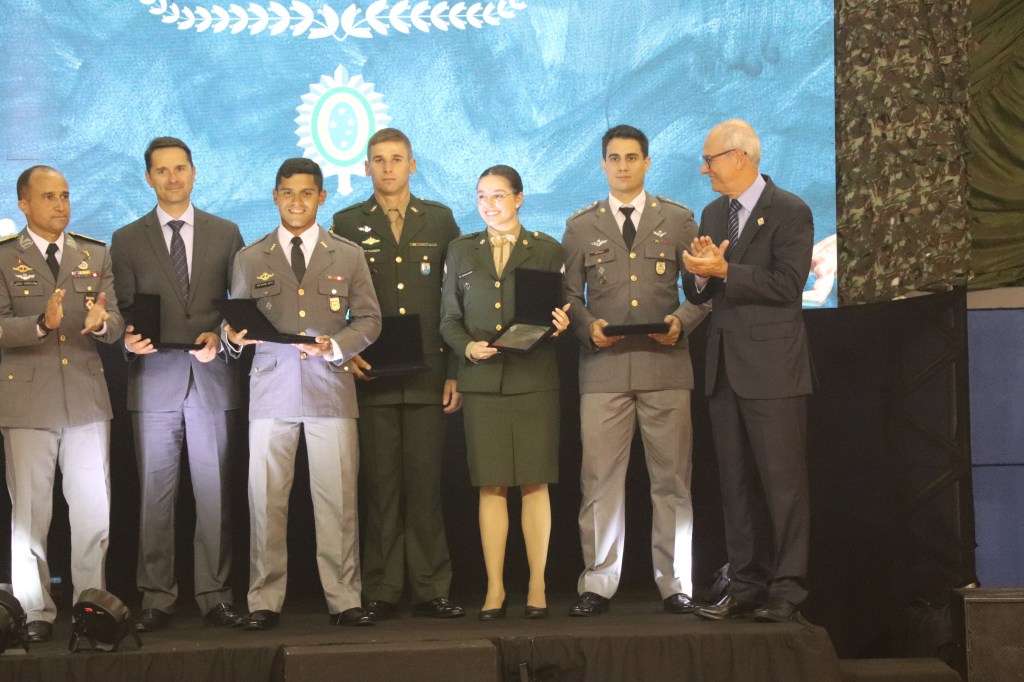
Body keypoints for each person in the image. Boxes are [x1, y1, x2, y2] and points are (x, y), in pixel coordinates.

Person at [224, 158, 382, 630]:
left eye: (307, 192)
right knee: (265, 501)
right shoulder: (250, 257)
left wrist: (336, 345)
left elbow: (370, 319)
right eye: (288, 193)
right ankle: (263, 601)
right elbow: (233, 323)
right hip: (271, 390)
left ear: (321, 197)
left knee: (338, 501)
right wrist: (232, 336)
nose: (297, 201)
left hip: (329, 387)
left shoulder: (347, 254)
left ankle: (344, 598)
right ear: (275, 196)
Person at [562, 125, 707, 617]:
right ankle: (598, 583)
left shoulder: (678, 220)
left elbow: (703, 290)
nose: (623, 166)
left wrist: (681, 321)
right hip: (603, 370)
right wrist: (587, 326)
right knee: (599, 482)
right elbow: (567, 295)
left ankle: (677, 583)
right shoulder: (581, 226)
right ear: (602, 165)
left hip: (665, 366)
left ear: (647, 162)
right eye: (614, 158)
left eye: (631, 157)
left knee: (672, 482)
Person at [110, 137, 246, 632]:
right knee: (154, 496)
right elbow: (121, 311)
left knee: (215, 495)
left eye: (181, 168)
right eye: (163, 170)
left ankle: (216, 595)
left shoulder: (226, 232)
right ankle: (156, 597)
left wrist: (223, 334)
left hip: (212, 377)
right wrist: (128, 340)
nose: (173, 178)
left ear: (194, 172)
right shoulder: (126, 239)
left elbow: (240, 305)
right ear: (149, 178)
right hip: (153, 381)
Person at [682, 119, 814, 623]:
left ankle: (788, 589)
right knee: (734, 485)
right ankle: (745, 586)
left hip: (774, 370)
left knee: (782, 487)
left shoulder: (790, 210)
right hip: (723, 369)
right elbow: (702, 290)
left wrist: (725, 270)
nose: (704, 169)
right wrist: (699, 275)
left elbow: (788, 285)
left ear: (739, 157)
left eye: (710, 159)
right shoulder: (714, 213)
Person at [331, 128, 464, 620]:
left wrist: (454, 369)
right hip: (374, 372)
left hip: (429, 370)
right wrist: (346, 352)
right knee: (381, 488)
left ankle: (432, 589)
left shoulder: (440, 219)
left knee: (426, 487)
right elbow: (334, 297)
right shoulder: (347, 222)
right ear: (366, 167)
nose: (387, 168)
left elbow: (457, 299)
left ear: (412, 164)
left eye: (396, 159)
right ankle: (382, 590)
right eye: (378, 160)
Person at [0, 166, 124, 643]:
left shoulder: (93, 253)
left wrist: (103, 323)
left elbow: (115, 320)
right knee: (31, 516)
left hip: (86, 400)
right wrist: (39, 324)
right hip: (28, 401)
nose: (60, 204)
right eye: (49, 196)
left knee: (93, 513)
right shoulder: (5, 256)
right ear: (23, 204)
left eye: (65, 195)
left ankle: (91, 609)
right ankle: (35, 612)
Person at [440, 165, 569, 620]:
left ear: (519, 198)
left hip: (533, 379)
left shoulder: (547, 249)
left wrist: (559, 326)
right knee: (490, 484)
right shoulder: (461, 250)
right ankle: (494, 588)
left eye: (498, 195)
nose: (489, 205)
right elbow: (448, 319)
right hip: (482, 382)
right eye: (481, 196)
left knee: (535, 481)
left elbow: (556, 312)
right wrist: (466, 348)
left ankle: (537, 585)